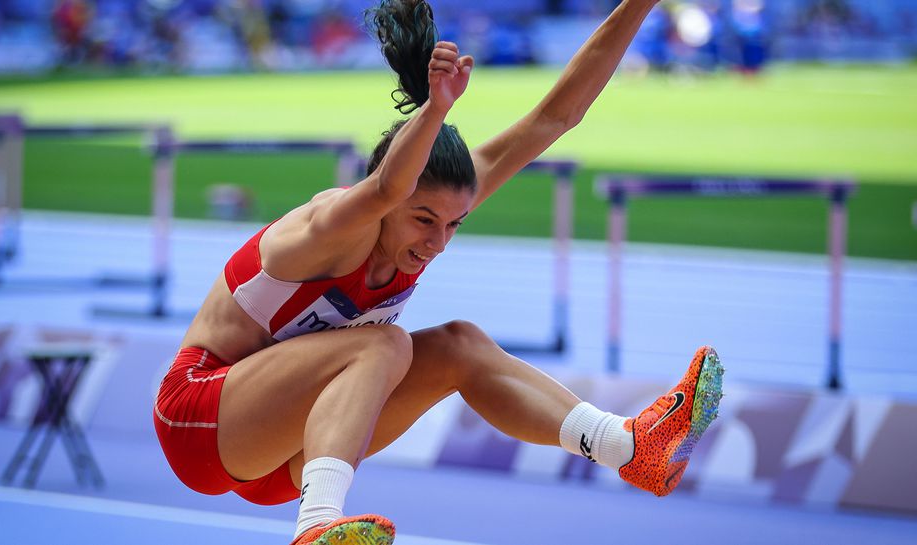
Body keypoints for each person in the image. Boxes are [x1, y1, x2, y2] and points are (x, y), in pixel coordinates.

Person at [152, 1, 725, 544]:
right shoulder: (327, 225)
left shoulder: (436, 203)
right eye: (424, 220)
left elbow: (556, 117)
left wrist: (639, 6)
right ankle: (318, 525)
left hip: (283, 450)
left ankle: (627, 447)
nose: (436, 243)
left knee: (460, 346)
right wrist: (436, 109)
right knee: (380, 346)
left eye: (452, 225)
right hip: (198, 420)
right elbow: (385, 187)